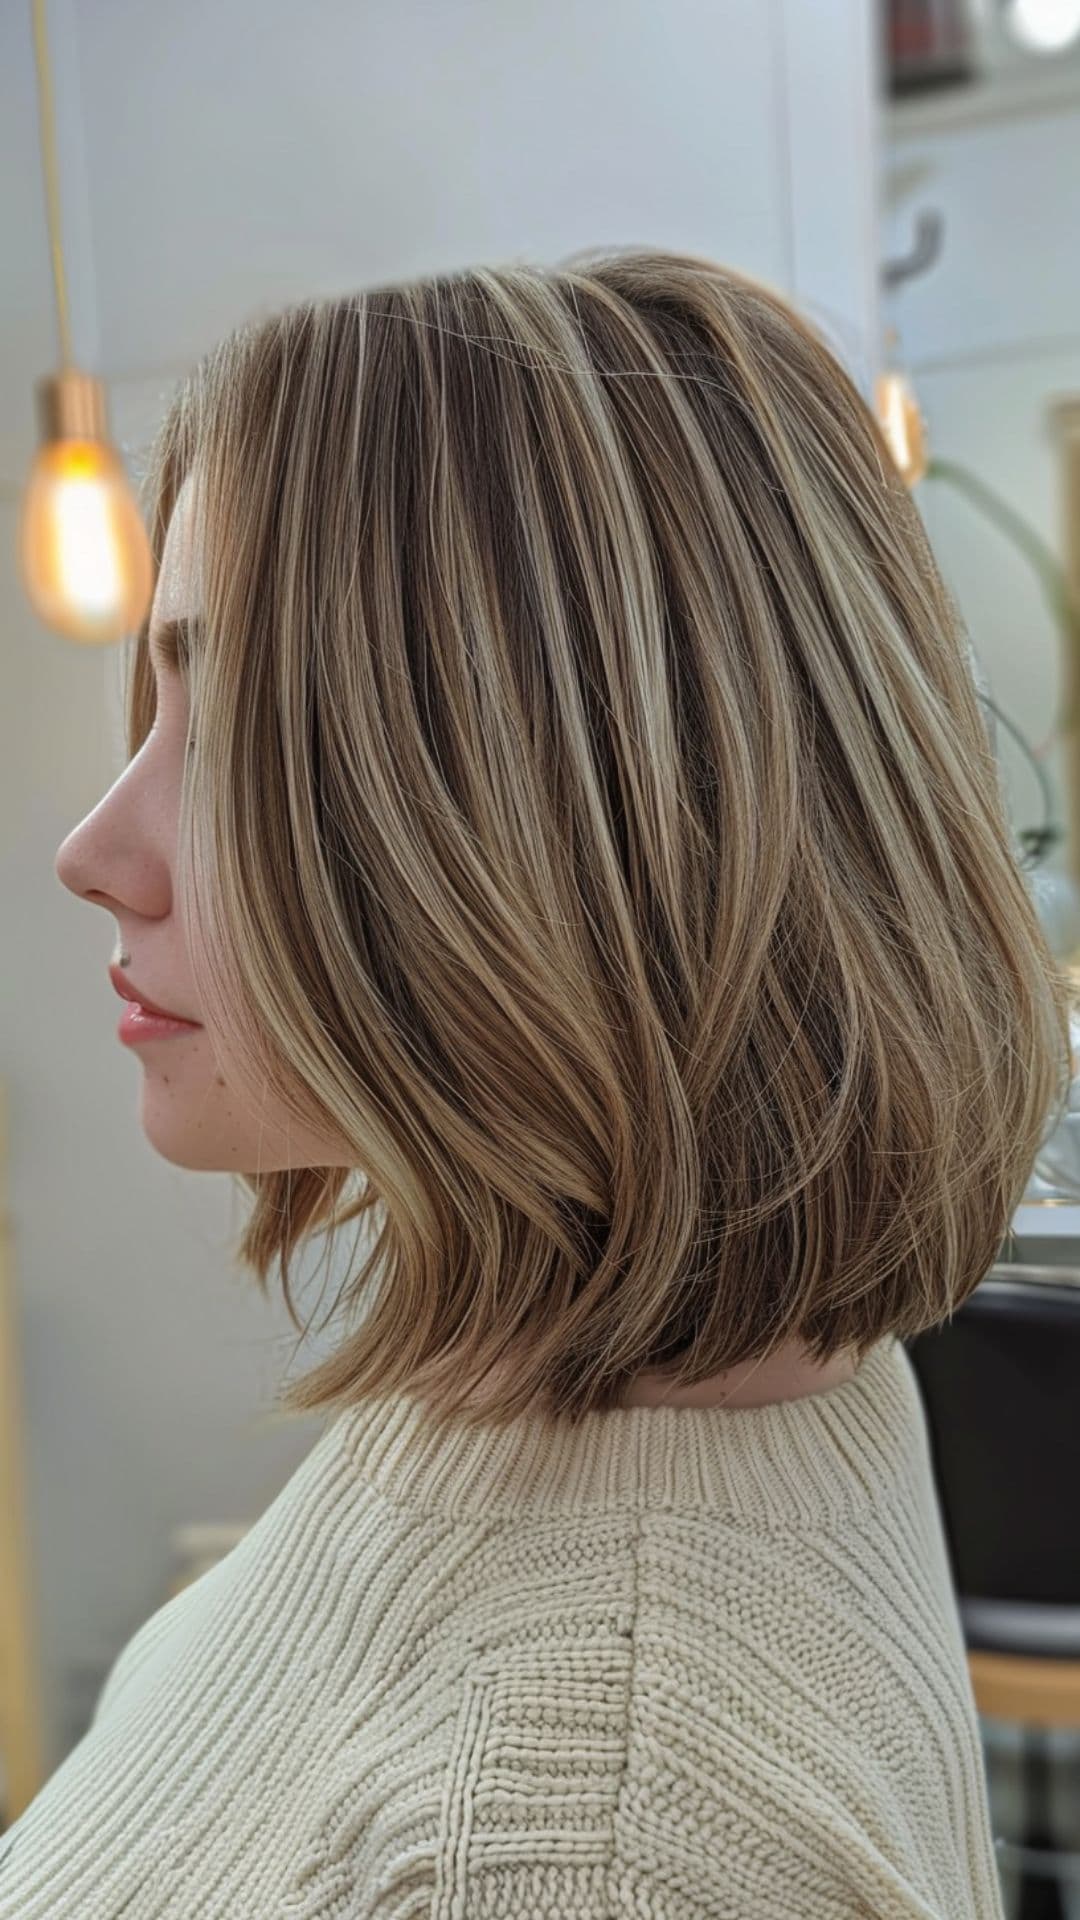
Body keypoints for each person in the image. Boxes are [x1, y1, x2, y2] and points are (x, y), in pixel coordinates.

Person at [9, 245, 1069, 1917]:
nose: (93, 852)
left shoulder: (597, 1849)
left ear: (554, 830)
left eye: (229, 739)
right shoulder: (558, 1368)